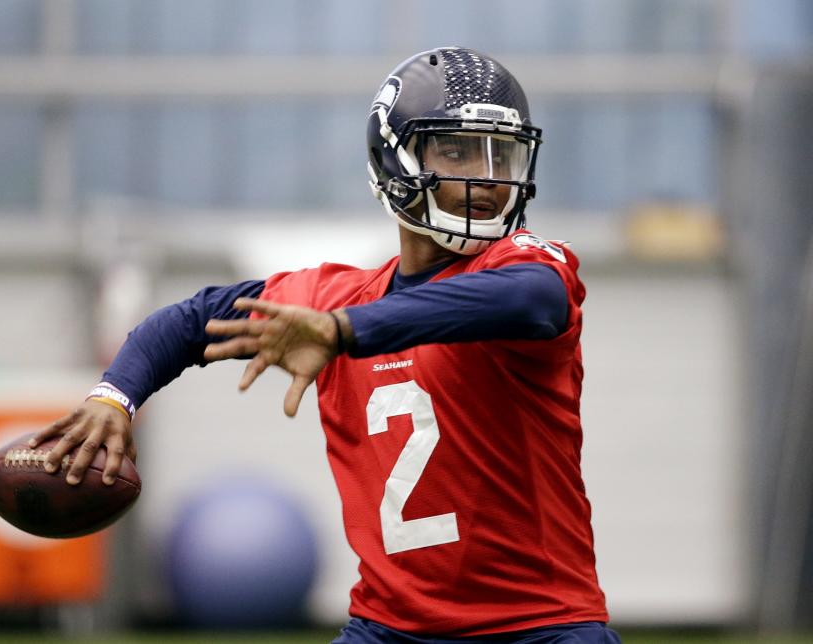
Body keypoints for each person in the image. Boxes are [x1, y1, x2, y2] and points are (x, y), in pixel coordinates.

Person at [32, 46, 620, 643]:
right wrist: (113, 397)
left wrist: (342, 331)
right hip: (390, 628)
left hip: (539, 626)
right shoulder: (337, 294)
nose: (487, 177)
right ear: (395, 160)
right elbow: (188, 321)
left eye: (502, 154)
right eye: (457, 148)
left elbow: (531, 298)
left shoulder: (520, 267)